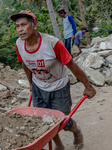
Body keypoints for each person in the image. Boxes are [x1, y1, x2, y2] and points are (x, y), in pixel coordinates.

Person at [10, 10, 96, 150]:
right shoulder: (19, 44)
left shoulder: (52, 44)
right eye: (17, 26)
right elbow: (25, 64)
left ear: (34, 24)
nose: (20, 29)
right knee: (44, 121)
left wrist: (88, 85)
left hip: (58, 86)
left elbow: (72, 65)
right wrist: (31, 84)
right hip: (39, 86)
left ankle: (76, 130)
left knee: (62, 122)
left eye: (24, 25)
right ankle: (58, 144)